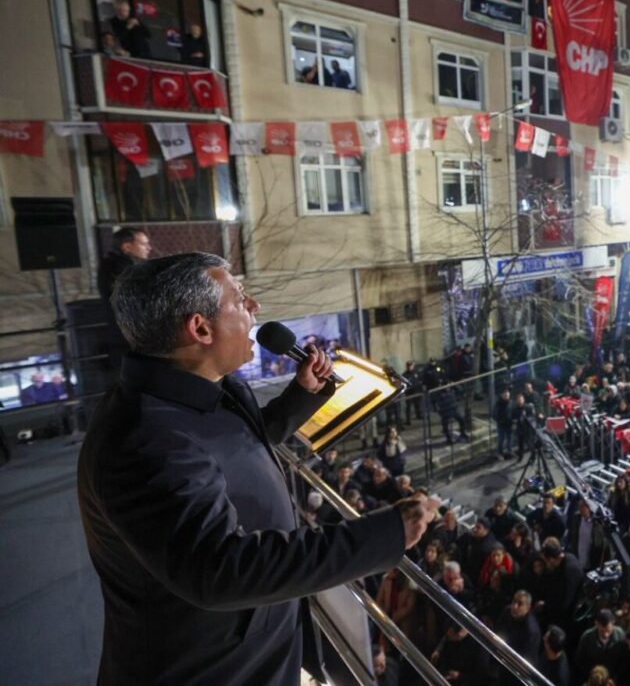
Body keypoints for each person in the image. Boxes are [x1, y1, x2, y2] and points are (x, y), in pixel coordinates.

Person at [77, 252, 440, 685]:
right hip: (209, 669)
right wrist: (385, 534)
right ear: (200, 328)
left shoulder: (204, 387)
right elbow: (221, 569)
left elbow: (237, 445)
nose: (255, 308)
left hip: (252, 650)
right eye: (239, 298)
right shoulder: (143, 438)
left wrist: (301, 396)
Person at [98, 227, 152, 303]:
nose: (149, 248)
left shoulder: (116, 263)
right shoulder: (119, 268)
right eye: (144, 244)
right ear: (127, 247)